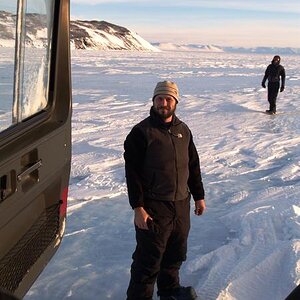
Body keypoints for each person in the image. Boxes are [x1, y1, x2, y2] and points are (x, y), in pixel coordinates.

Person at [124, 81, 206, 300]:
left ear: (176, 102)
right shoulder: (141, 133)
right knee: (148, 261)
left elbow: (193, 165)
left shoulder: (183, 130)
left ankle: (169, 292)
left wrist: (199, 196)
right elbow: (132, 174)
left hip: (180, 204)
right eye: (159, 99)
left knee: (175, 255)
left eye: (168, 99)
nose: (163, 103)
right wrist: (138, 207)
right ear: (153, 101)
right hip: (154, 207)